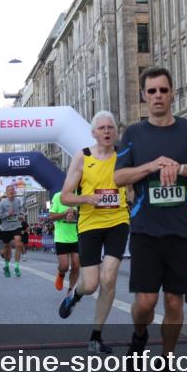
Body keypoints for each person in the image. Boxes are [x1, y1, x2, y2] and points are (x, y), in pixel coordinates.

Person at [114, 68, 187, 372]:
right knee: (145, 303)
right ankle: (139, 335)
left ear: (172, 94)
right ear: (143, 95)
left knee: (173, 302)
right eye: (151, 91)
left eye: (163, 90)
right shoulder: (133, 134)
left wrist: (178, 166)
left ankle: (167, 363)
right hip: (144, 229)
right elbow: (119, 177)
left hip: (179, 229)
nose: (157, 96)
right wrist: (151, 166)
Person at [57, 111, 132, 355]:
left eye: (111, 127)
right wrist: (86, 198)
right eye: (102, 128)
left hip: (118, 221)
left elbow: (131, 191)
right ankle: (74, 296)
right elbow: (66, 196)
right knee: (90, 284)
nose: (108, 131)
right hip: (89, 223)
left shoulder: (123, 156)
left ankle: (96, 336)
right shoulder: (83, 157)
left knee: (108, 278)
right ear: (93, 133)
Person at [48, 190, 80, 292]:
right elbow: (51, 217)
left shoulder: (80, 196)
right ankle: (61, 274)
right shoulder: (58, 196)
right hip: (61, 238)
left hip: (76, 237)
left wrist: (75, 215)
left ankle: (70, 291)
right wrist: (65, 213)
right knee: (64, 266)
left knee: (76, 265)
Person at [0, 186, 25, 277]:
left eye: (12, 190)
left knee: (18, 243)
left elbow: (21, 212)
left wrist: (21, 216)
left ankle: (16, 267)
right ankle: (7, 266)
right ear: (6, 193)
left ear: (14, 192)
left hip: (16, 226)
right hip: (5, 229)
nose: (11, 192)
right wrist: (7, 214)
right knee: (7, 250)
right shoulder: (3, 203)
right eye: (9, 191)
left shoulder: (18, 201)